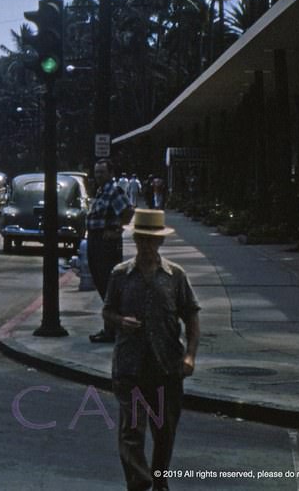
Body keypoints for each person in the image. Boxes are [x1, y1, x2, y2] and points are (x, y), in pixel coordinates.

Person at [102, 209, 200, 491]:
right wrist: (120, 321)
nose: (145, 245)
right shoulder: (120, 275)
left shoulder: (175, 276)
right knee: (132, 431)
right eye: (141, 239)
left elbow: (191, 317)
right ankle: (139, 481)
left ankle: (159, 481)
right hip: (130, 367)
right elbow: (107, 311)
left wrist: (190, 355)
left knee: (164, 431)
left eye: (150, 240)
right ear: (135, 239)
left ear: (159, 243)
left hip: (166, 366)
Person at [86, 158, 134, 342]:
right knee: (101, 283)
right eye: (96, 172)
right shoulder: (100, 191)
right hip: (95, 241)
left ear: (110, 174)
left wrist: (116, 230)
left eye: (102, 172)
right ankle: (110, 327)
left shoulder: (114, 191)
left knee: (109, 286)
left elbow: (128, 212)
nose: (98, 176)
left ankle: (112, 329)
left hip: (105, 244)